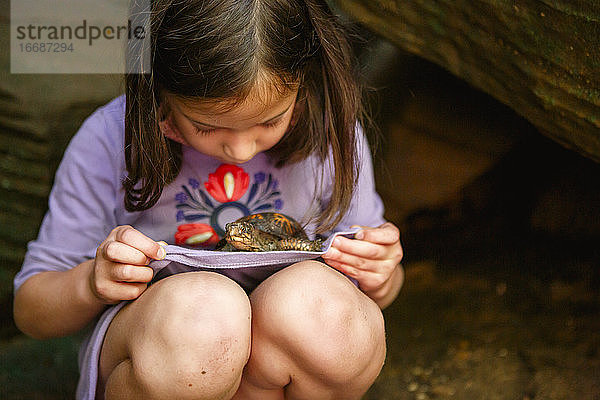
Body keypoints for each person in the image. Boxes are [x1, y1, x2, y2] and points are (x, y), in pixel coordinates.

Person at [13, 0, 404, 399]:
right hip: (171, 356)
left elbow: (371, 292)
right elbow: (31, 311)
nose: (241, 151)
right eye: (205, 126)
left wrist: (381, 274)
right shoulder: (108, 140)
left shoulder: (329, 131)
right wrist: (91, 283)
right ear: (157, 90)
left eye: (270, 121)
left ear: (303, 81)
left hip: (274, 371)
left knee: (330, 316)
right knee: (205, 317)